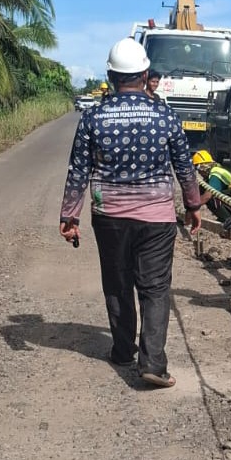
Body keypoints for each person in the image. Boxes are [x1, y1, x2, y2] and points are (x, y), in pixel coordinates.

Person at [59, 37, 203, 389]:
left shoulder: (93, 118)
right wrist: (193, 205)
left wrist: (69, 216)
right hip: (156, 217)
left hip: (109, 216)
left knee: (117, 282)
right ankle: (153, 363)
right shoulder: (165, 116)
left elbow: (78, 171)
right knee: (155, 288)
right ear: (144, 74)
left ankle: (123, 350)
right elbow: (185, 167)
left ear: (110, 76)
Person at [192, 149, 231, 214]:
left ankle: (227, 218)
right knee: (202, 189)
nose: (199, 172)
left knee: (212, 198)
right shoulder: (215, 170)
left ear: (203, 167)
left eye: (198, 169)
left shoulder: (215, 175)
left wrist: (192, 207)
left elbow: (207, 196)